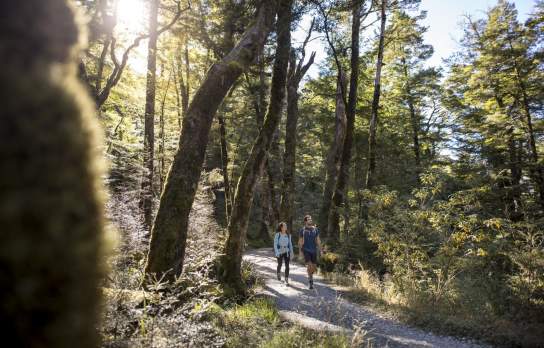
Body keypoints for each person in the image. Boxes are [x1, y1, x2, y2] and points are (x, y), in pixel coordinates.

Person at [298, 215, 322, 289]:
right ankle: (310, 281)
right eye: (308, 219)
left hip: (314, 250)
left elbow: (318, 240)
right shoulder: (302, 230)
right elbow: (300, 241)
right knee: (310, 265)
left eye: (311, 219)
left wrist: (320, 249)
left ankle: (309, 274)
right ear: (305, 221)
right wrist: (300, 252)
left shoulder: (315, 230)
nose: (310, 220)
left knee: (314, 268)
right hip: (306, 250)